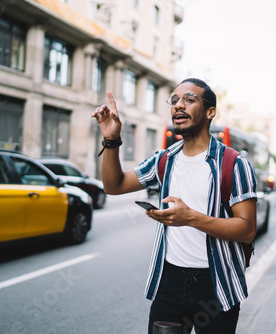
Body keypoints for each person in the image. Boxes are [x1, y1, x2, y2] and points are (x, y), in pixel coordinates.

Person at [91, 78, 257, 333]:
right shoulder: (165, 159)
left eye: (189, 100)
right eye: (175, 100)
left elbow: (246, 229)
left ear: (210, 111)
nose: (179, 105)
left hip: (215, 284)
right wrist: (112, 140)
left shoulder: (234, 164)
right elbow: (115, 185)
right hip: (169, 281)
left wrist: (190, 218)